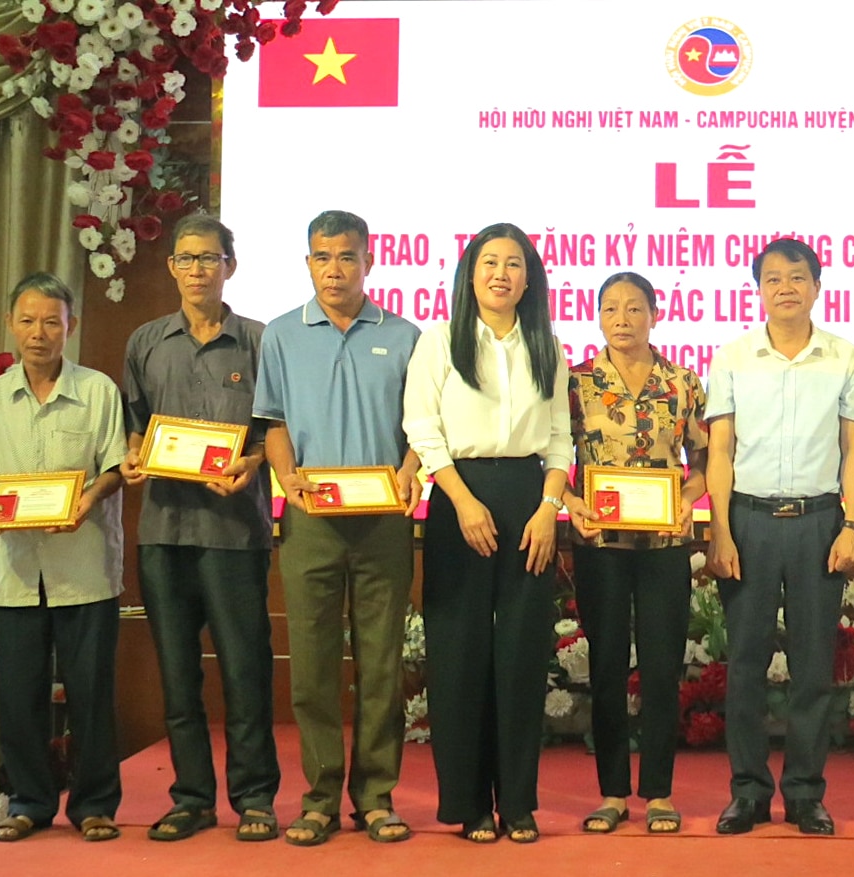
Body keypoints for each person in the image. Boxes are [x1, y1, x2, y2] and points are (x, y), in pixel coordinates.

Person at [253, 210, 421, 846]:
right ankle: (319, 797)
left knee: (381, 665)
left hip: (383, 523)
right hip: (310, 521)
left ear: (369, 261)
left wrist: (408, 470)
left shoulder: (405, 336)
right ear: (307, 263)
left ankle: (376, 797)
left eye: (347, 257)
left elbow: (419, 432)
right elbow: (271, 424)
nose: (334, 269)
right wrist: (287, 477)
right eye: (322, 257)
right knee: (314, 668)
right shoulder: (280, 336)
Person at [402, 222, 571, 844]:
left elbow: (559, 438)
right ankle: (470, 803)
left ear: (530, 278)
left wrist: (550, 507)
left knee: (523, 654)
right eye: (489, 262)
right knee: (460, 652)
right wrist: (464, 502)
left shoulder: (547, 343)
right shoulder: (440, 340)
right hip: (458, 497)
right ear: (469, 273)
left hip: (530, 500)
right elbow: (422, 427)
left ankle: (518, 803)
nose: (502, 273)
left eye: (514, 263)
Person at [0, 273, 126, 842]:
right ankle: (29, 802)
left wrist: (85, 502)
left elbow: (117, 468)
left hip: (85, 567)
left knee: (91, 693)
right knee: (19, 696)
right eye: (28, 321)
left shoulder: (98, 390)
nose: (39, 333)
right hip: (16, 572)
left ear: (70, 327)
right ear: (10, 325)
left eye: (52, 321)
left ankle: (94, 804)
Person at [120, 214, 281, 842]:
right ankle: (190, 797)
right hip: (164, 530)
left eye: (209, 259)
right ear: (171, 268)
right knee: (178, 671)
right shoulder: (145, 342)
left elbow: (278, 431)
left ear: (230, 267)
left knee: (246, 671)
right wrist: (135, 454)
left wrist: (255, 459)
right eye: (185, 259)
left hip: (236, 532)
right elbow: (136, 423)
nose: (196, 270)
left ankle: (256, 797)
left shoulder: (261, 342)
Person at [705, 238, 854, 836]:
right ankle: (747, 792)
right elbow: (719, 451)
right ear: (758, 289)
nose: (785, 288)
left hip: (819, 522)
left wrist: (853, 524)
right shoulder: (731, 358)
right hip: (747, 522)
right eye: (772, 278)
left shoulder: (846, 358)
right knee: (745, 664)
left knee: (811, 666)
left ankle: (805, 793)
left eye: (796, 277)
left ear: (816, 286)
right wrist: (719, 530)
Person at [562, 272, 709, 835]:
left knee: (661, 665)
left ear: (656, 313)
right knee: (604, 667)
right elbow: (555, 456)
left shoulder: (682, 383)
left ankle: (660, 793)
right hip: (600, 545)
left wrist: (686, 500)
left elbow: (705, 461)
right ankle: (612, 792)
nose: (622, 318)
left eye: (634, 308)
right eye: (611, 308)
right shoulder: (576, 383)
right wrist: (572, 503)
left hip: (664, 546)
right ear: (598, 317)